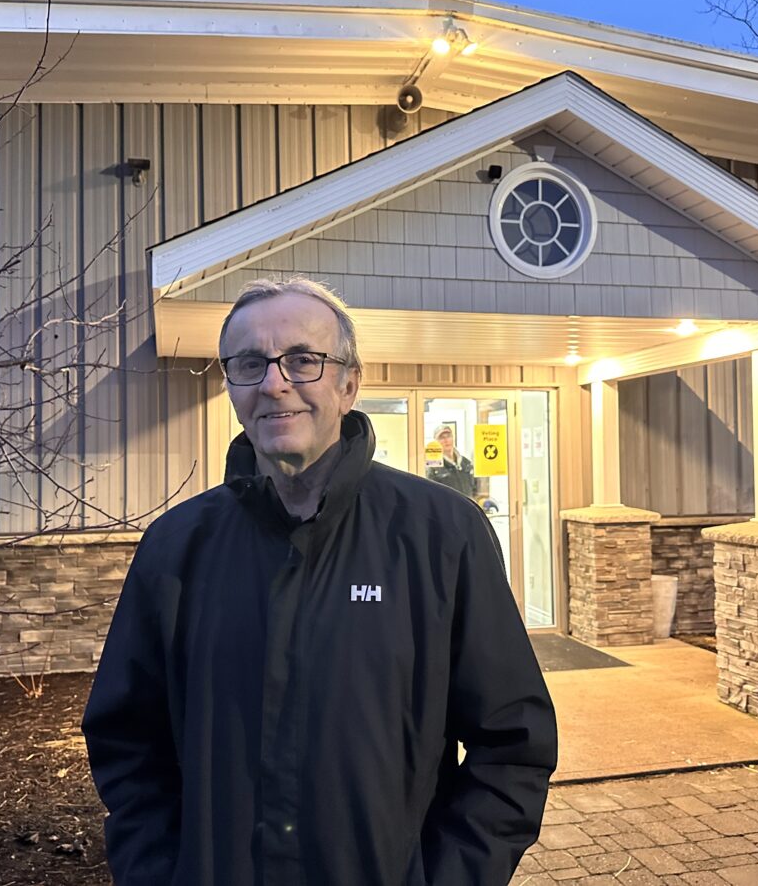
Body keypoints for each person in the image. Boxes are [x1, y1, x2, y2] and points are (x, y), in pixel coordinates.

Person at [82, 276, 556, 886]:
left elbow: (513, 744)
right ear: (231, 387)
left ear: (349, 384)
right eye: (250, 364)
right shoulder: (176, 549)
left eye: (303, 360)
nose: (275, 383)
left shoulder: (443, 535)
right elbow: (127, 741)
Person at [426, 423, 477, 498]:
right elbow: (431, 495)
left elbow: (475, 489)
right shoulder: (433, 467)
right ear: (436, 442)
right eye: (442, 438)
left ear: (453, 438)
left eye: (449, 436)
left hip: (467, 508)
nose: (446, 440)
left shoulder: (466, 463)